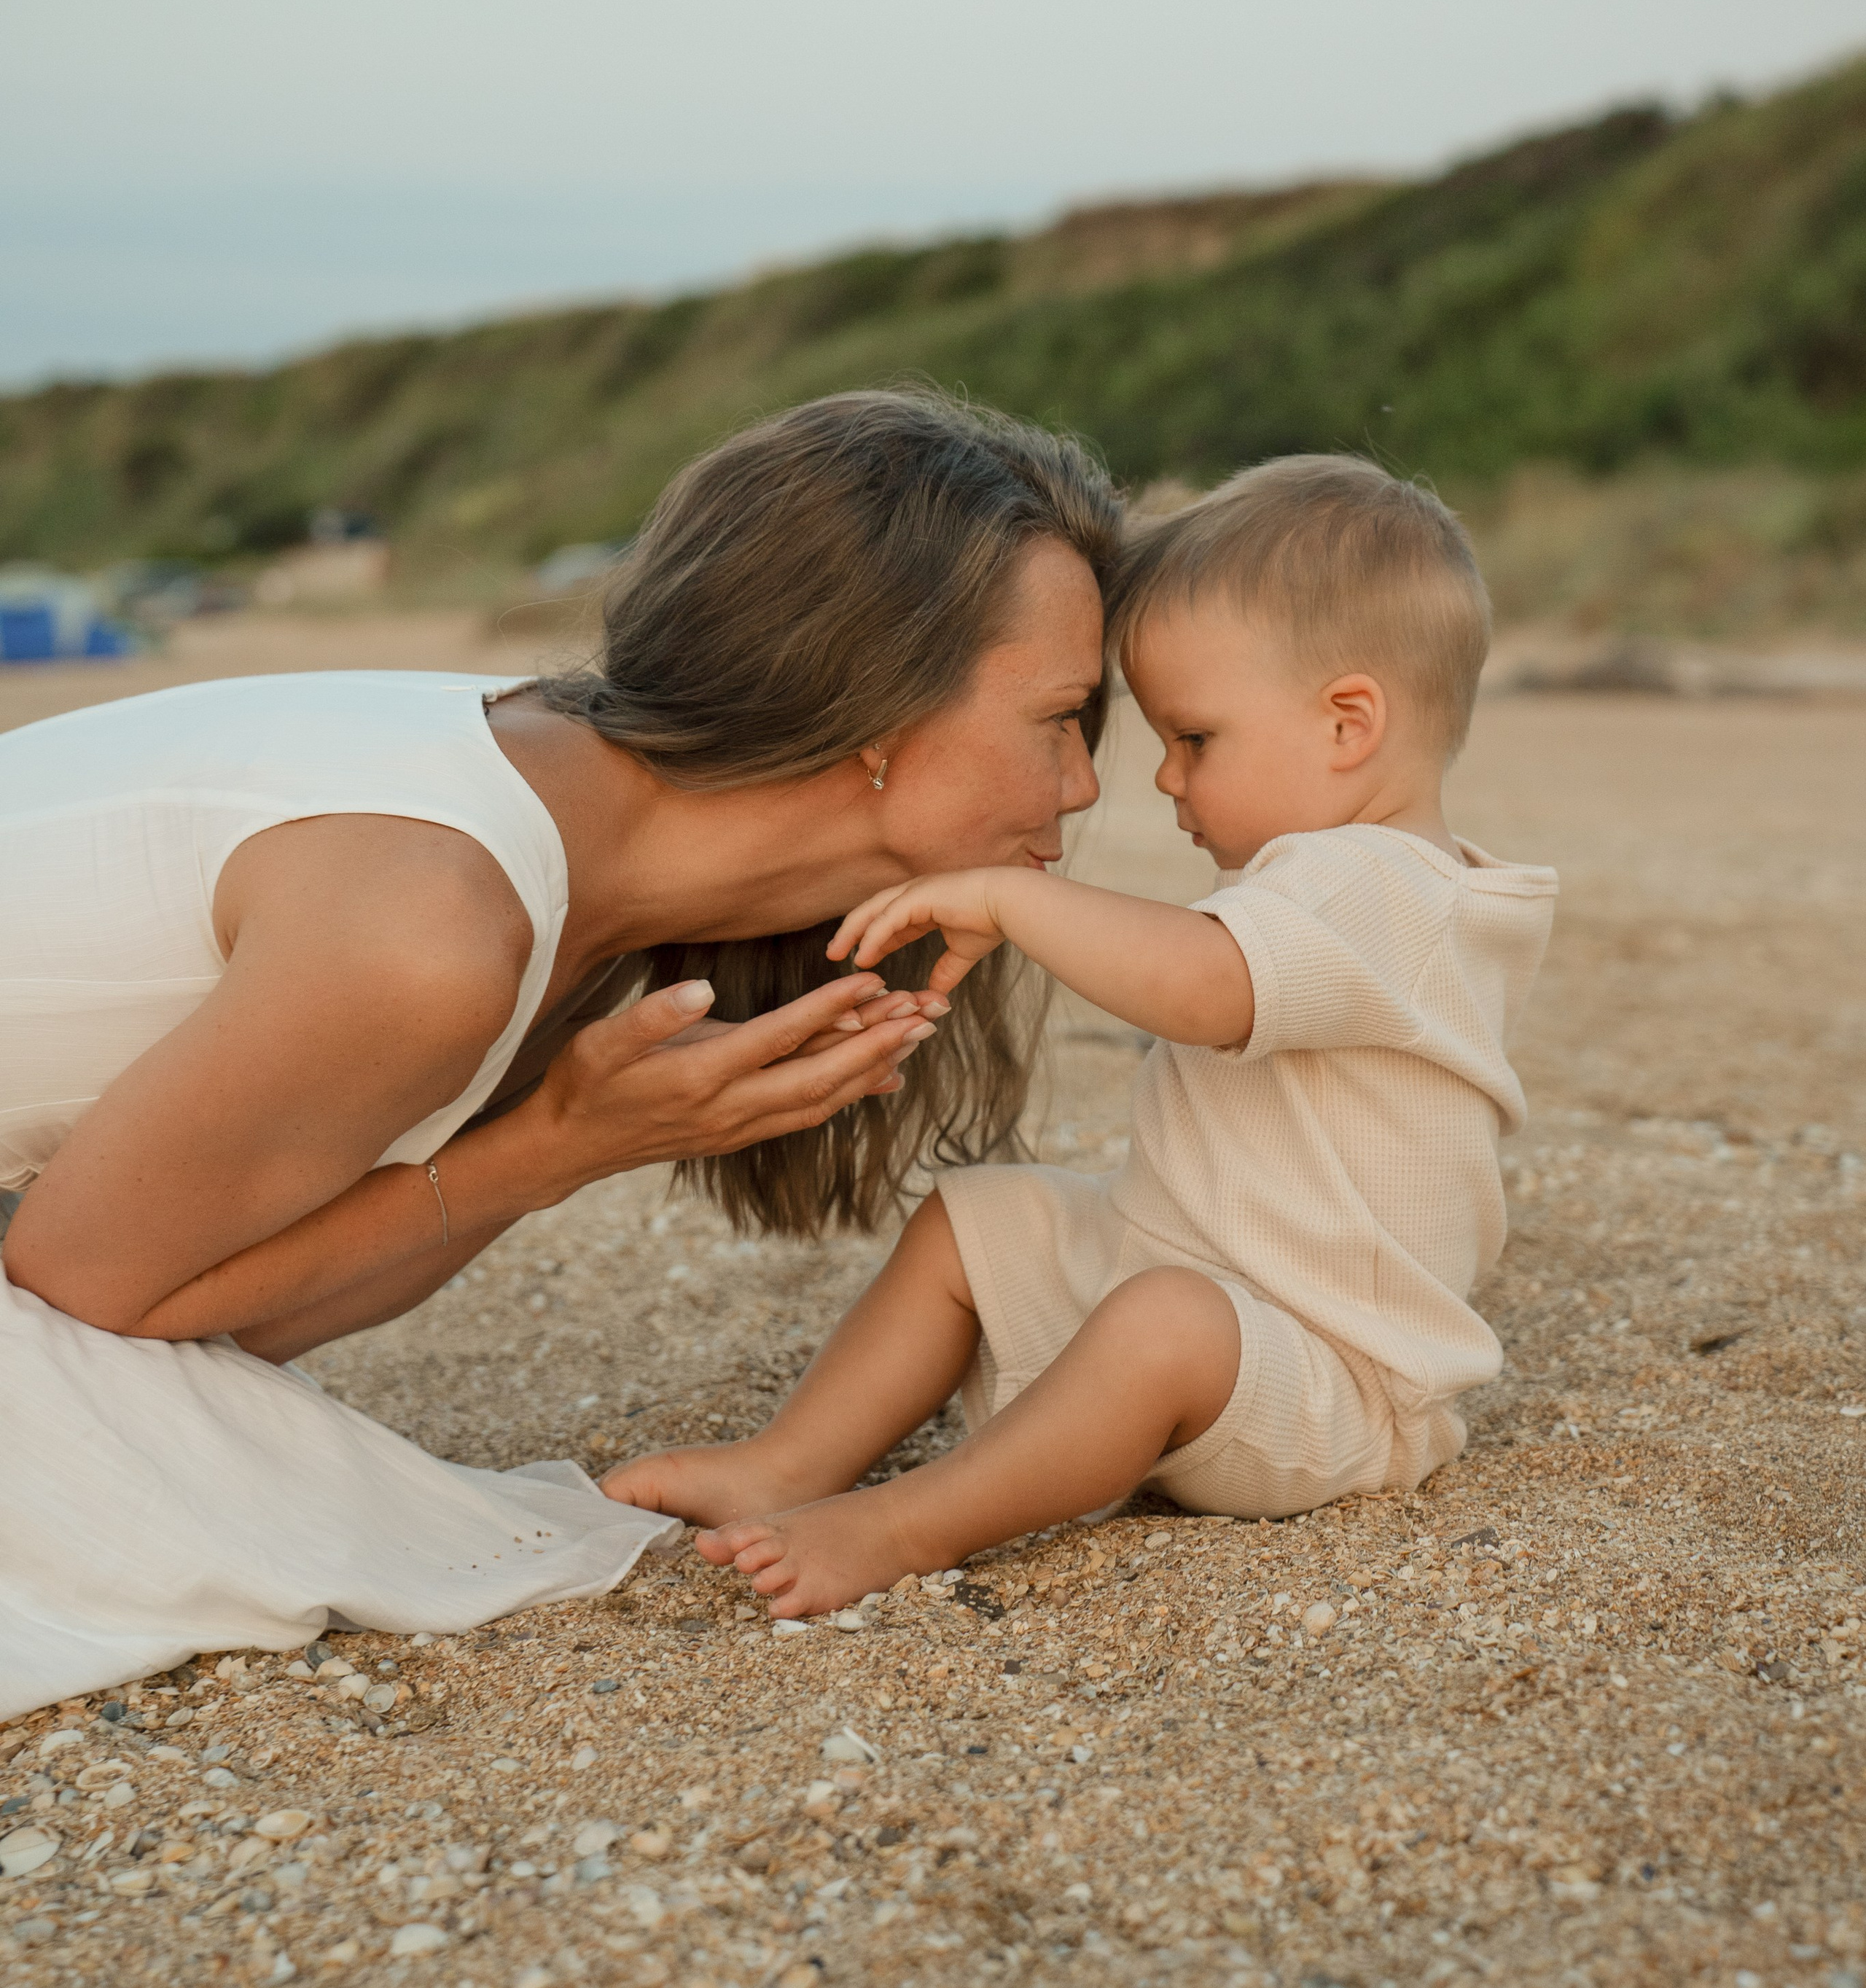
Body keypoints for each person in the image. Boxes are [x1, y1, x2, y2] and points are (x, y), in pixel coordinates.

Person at [0, 392, 1122, 1712]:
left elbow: (241, 1311)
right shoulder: (437, 920)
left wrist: (561, 1147)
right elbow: (90, 1305)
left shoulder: (573, 846)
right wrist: (561, 1146)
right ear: (876, 710)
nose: (1087, 785)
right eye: (1060, 717)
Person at [611, 456, 1558, 1613]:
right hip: (1194, 1291)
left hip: (1328, 1379)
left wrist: (1014, 901)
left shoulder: (1383, 889)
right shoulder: (1335, 883)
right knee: (978, 1220)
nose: (1161, 778)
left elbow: (1207, 985)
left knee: (1162, 1326)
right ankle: (791, 1461)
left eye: (1196, 738)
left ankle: (905, 1523)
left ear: (1349, 723)